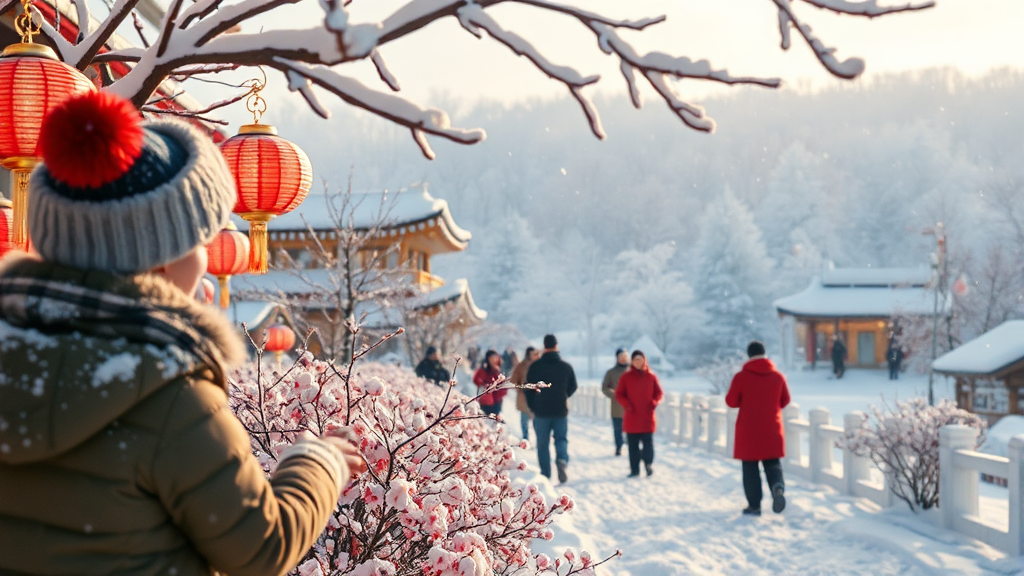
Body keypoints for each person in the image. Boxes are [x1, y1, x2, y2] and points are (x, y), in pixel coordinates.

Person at [0, 90, 367, 574]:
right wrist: (319, 462)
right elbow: (261, 547)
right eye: (200, 238)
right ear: (164, 259)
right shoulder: (168, 392)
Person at [725, 341, 791, 516]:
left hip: (749, 430)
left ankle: (754, 506)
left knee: (750, 469)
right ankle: (777, 488)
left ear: (749, 355)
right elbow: (785, 401)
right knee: (772, 463)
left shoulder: (741, 377)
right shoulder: (778, 377)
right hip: (772, 428)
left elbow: (731, 401)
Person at [525, 334, 578, 483]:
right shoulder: (566, 367)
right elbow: (573, 386)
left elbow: (528, 388)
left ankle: (545, 475)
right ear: (556, 346)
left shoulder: (535, 367)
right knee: (561, 439)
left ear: (544, 346)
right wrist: (563, 395)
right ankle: (561, 460)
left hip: (541, 411)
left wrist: (532, 405)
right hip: (560, 410)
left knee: (542, 443)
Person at [615, 350, 664, 477]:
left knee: (648, 444)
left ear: (644, 360)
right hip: (632, 415)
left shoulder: (651, 377)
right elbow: (619, 394)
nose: (638, 362)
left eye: (640, 359)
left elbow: (659, 393)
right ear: (632, 362)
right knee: (633, 446)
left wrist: (654, 402)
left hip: (647, 416)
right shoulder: (626, 377)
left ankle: (648, 464)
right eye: (635, 360)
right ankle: (634, 469)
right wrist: (626, 404)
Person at [601, 348, 630, 456]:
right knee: (618, 429)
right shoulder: (611, 373)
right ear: (617, 358)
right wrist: (614, 394)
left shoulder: (633, 371)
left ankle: (631, 445)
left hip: (631, 406)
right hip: (617, 406)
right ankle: (618, 447)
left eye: (625, 357)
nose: (624, 359)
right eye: (621, 357)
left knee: (631, 429)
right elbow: (604, 388)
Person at [510, 346, 541, 440]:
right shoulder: (521, 366)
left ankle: (539, 439)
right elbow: (514, 380)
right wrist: (521, 386)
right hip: (523, 397)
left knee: (537, 421)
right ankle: (525, 439)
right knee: (524, 421)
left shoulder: (539, 365)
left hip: (536, 397)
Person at [474, 349, 507, 417]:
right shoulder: (483, 370)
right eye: (492, 358)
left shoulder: (499, 370)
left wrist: (498, 389)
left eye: (495, 358)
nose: (494, 360)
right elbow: (476, 380)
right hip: (485, 402)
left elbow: (504, 388)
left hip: (496, 402)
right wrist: (484, 385)